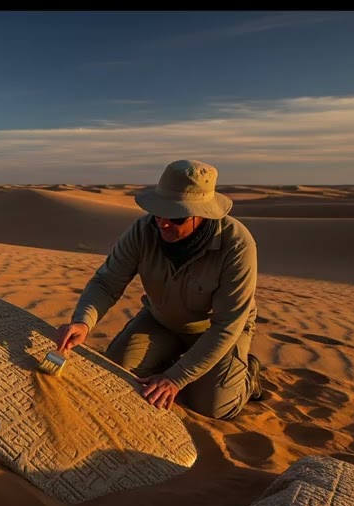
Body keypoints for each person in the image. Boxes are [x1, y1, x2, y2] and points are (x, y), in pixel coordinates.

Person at [54, 158, 263, 420]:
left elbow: (227, 325)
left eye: (175, 217)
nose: (163, 223)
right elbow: (106, 283)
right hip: (160, 320)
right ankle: (168, 356)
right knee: (117, 375)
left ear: (201, 214)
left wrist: (176, 378)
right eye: (159, 213)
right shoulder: (142, 230)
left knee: (215, 407)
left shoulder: (237, 245)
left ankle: (248, 375)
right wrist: (83, 322)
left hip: (214, 330)